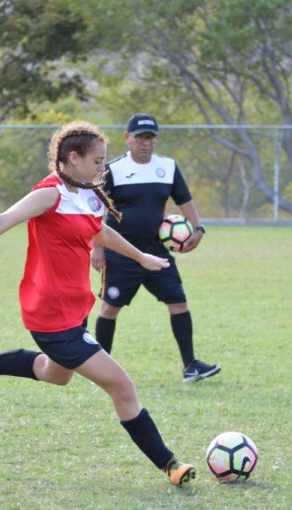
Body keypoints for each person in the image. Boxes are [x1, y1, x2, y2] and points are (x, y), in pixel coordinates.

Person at [0, 121, 197, 487]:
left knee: (55, 374)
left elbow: (98, 230)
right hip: (50, 314)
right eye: (97, 161)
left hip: (74, 308)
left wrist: (140, 257)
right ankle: (171, 466)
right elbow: (3, 220)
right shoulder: (49, 193)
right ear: (73, 158)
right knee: (122, 387)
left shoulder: (87, 192)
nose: (103, 168)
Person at [90, 113, 220, 383]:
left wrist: (198, 229)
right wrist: (98, 248)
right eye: (140, 138)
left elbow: (185, 200)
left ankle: (190, 366)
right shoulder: (113, 170)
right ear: (128, 138)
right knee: (109, 309)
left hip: (158, 253)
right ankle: (100, 370)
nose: (146, 143)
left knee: (179, 303)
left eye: (151, 138)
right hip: (122, 253)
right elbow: (95, 210)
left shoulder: (168, 167)